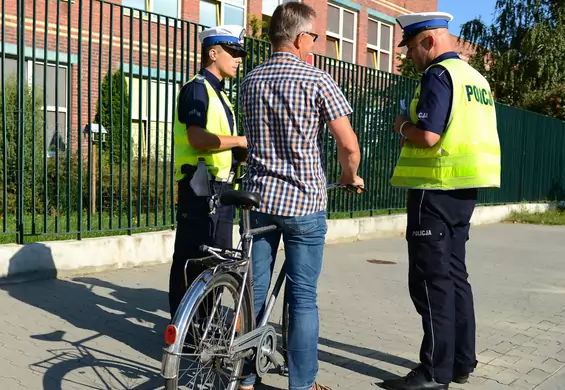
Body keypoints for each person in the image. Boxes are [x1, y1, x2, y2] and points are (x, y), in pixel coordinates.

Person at [238, 3, 364, 390]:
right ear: (298, 37)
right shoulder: (317, 80)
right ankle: (303, 384)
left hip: (258, 200)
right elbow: (349, 145)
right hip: (303, 204)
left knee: (253, 293)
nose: (315, 44)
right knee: (303, 298)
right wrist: (350, 176)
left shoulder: (250, 81)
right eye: (314, 37)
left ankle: (244, 379)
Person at [382, 11, 501, 390]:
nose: (410, 57)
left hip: (433, 191)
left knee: (431, 282)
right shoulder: (476, 79)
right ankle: (461, 362)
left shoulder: (439, 75)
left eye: (412, 48)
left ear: (429, 42)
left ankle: (435, 372)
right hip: (464, 190)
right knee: (455, 276)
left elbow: (430, 135)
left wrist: (402, 124)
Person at [169, 25, 248, 321]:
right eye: (233, 52)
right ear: (212, 53)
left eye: (240, 53)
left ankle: (204, 329)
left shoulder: (220, 95)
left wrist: (240, 153)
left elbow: (218, 141)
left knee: (214, 262)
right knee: (192, 260)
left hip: (219, 189)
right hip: (200, 188)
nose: (238, 59)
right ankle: (186, 333)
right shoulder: (197, 88)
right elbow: (197, 138)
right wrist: (239, 141)